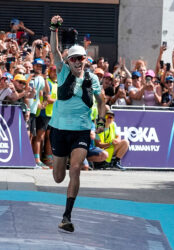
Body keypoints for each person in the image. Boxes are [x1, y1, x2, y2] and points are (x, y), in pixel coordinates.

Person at [49, 15, 105, 232]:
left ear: (85, 60)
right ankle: (59, 164)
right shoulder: (62, 72)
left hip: (81, 131)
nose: (78, 62)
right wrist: (54, 29)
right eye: (73, 59)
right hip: (59, 130)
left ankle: (67, 216)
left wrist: (100, 120)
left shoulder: (92, 79)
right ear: (68, 61)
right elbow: (54, 51)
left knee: (75, 169)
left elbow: (102, 102)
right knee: (58, 177)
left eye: (81, 58)